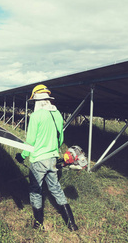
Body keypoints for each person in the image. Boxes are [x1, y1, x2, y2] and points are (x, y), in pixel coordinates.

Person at [15, 84, 78, 231]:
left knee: (36, 191)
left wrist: (22, 155)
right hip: (53, 158)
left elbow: (30, 141)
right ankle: (72, 224)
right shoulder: (58, 115)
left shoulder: (36, 116)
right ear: (48, 99)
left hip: (38, 160)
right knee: (56, 189)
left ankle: (38, 224)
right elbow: (60, 139)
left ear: (36, 101)